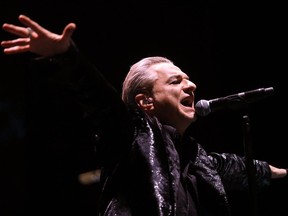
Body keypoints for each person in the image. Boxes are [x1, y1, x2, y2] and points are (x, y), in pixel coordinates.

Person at [1, 14, 287, 216]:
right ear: (146, 102)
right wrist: (67, 55)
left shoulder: (198, 159)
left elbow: (237, 167)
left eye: (188, 79)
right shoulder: (129, 137)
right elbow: (99, 98)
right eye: (175, 82)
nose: (191, 85)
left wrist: (277, 172)